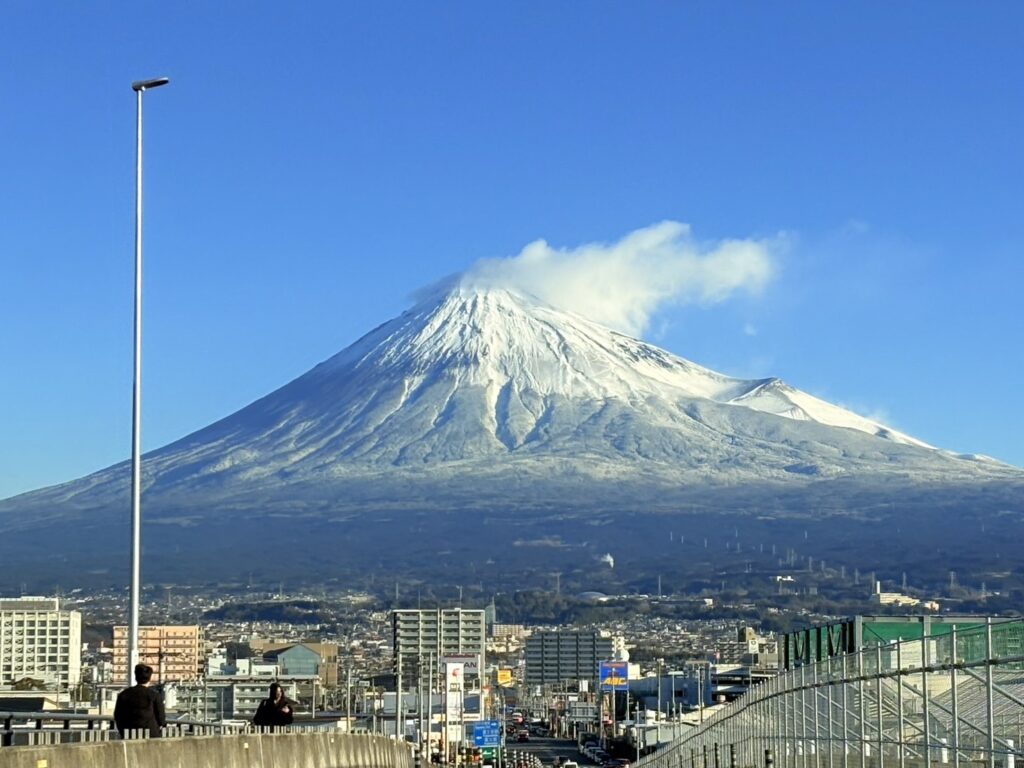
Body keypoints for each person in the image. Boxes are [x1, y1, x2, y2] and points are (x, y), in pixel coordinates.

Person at [114, 663, 166, 738]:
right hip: (151, 735)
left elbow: (118, 716)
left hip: (129, 734)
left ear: (136, 677)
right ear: (149, 678)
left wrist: (123, 731)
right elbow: (161, 719)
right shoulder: (154, 696)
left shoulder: (123, 695)